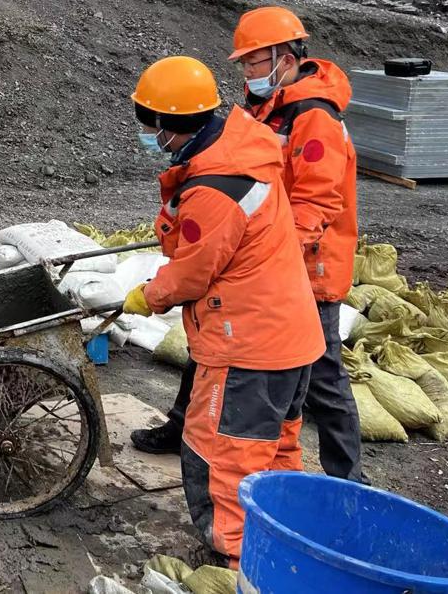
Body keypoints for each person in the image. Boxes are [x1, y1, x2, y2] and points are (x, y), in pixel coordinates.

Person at [131, 7, 363, 481]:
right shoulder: (267, 108)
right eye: (244, 64)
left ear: (286, 56)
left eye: (255, 63)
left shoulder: (313, 115)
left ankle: (347, 479)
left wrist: (272, 261)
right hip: (264, 259)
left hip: (306, 268)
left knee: (318, 378)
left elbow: (317, 201)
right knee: (211, 349)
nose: (248, 73)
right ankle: (181, 428)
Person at [123, 55, 324, 565]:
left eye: (148, 122)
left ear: (168, 124)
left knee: (221, 455)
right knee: (274, 452)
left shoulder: (215, 188)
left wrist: (145, 297)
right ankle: (280, 547)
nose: (146, 131)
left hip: (248, 346)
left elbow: (191, 272)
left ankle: (236, 562)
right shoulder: (240, 146)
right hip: (290, 334)